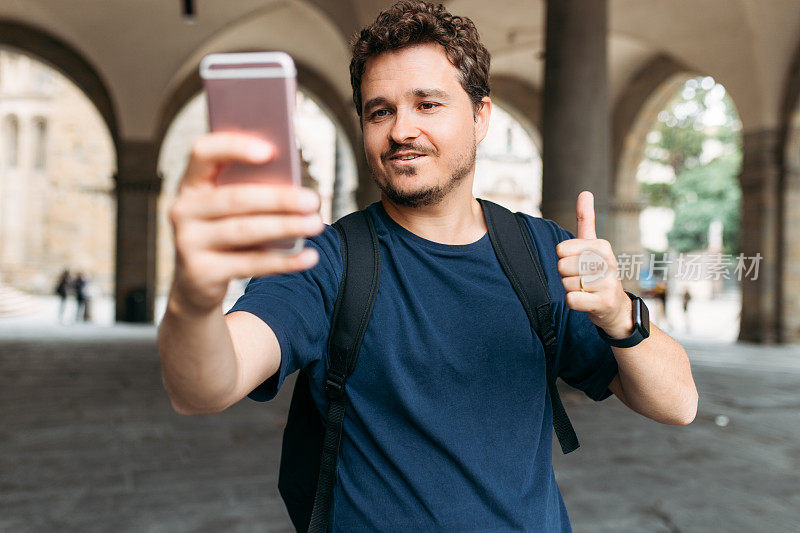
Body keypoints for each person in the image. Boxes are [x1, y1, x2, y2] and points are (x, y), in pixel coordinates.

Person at [157, 2, 698, 530]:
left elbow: (678, 405)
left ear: (480, 115)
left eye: (428, 105)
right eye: (380, 111)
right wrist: (193, 295)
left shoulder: (543, 254)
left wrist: (619, 315)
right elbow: (204, 386)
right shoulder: (324, 260)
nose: (401, 131)